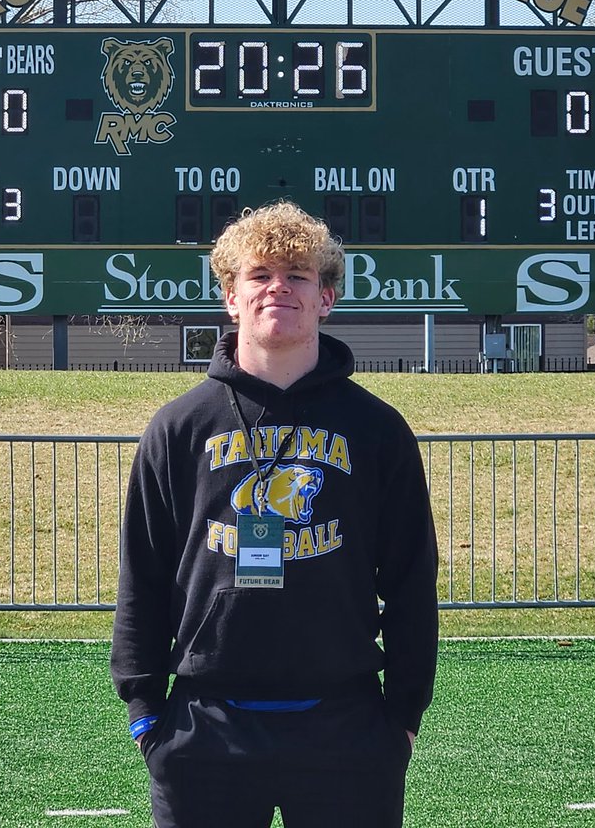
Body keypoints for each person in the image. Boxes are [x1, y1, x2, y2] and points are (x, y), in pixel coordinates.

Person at [111, 201, 439, 828]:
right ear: (230, 298)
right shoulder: (180, 426)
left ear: (328, 299)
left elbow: (410, 581)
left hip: (346, 725)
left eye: (298, 274)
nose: (278, 288)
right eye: (259, 275)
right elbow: (142, 573)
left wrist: (402, 716)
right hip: (205, 725)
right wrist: (146, 712)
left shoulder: (376, 429)